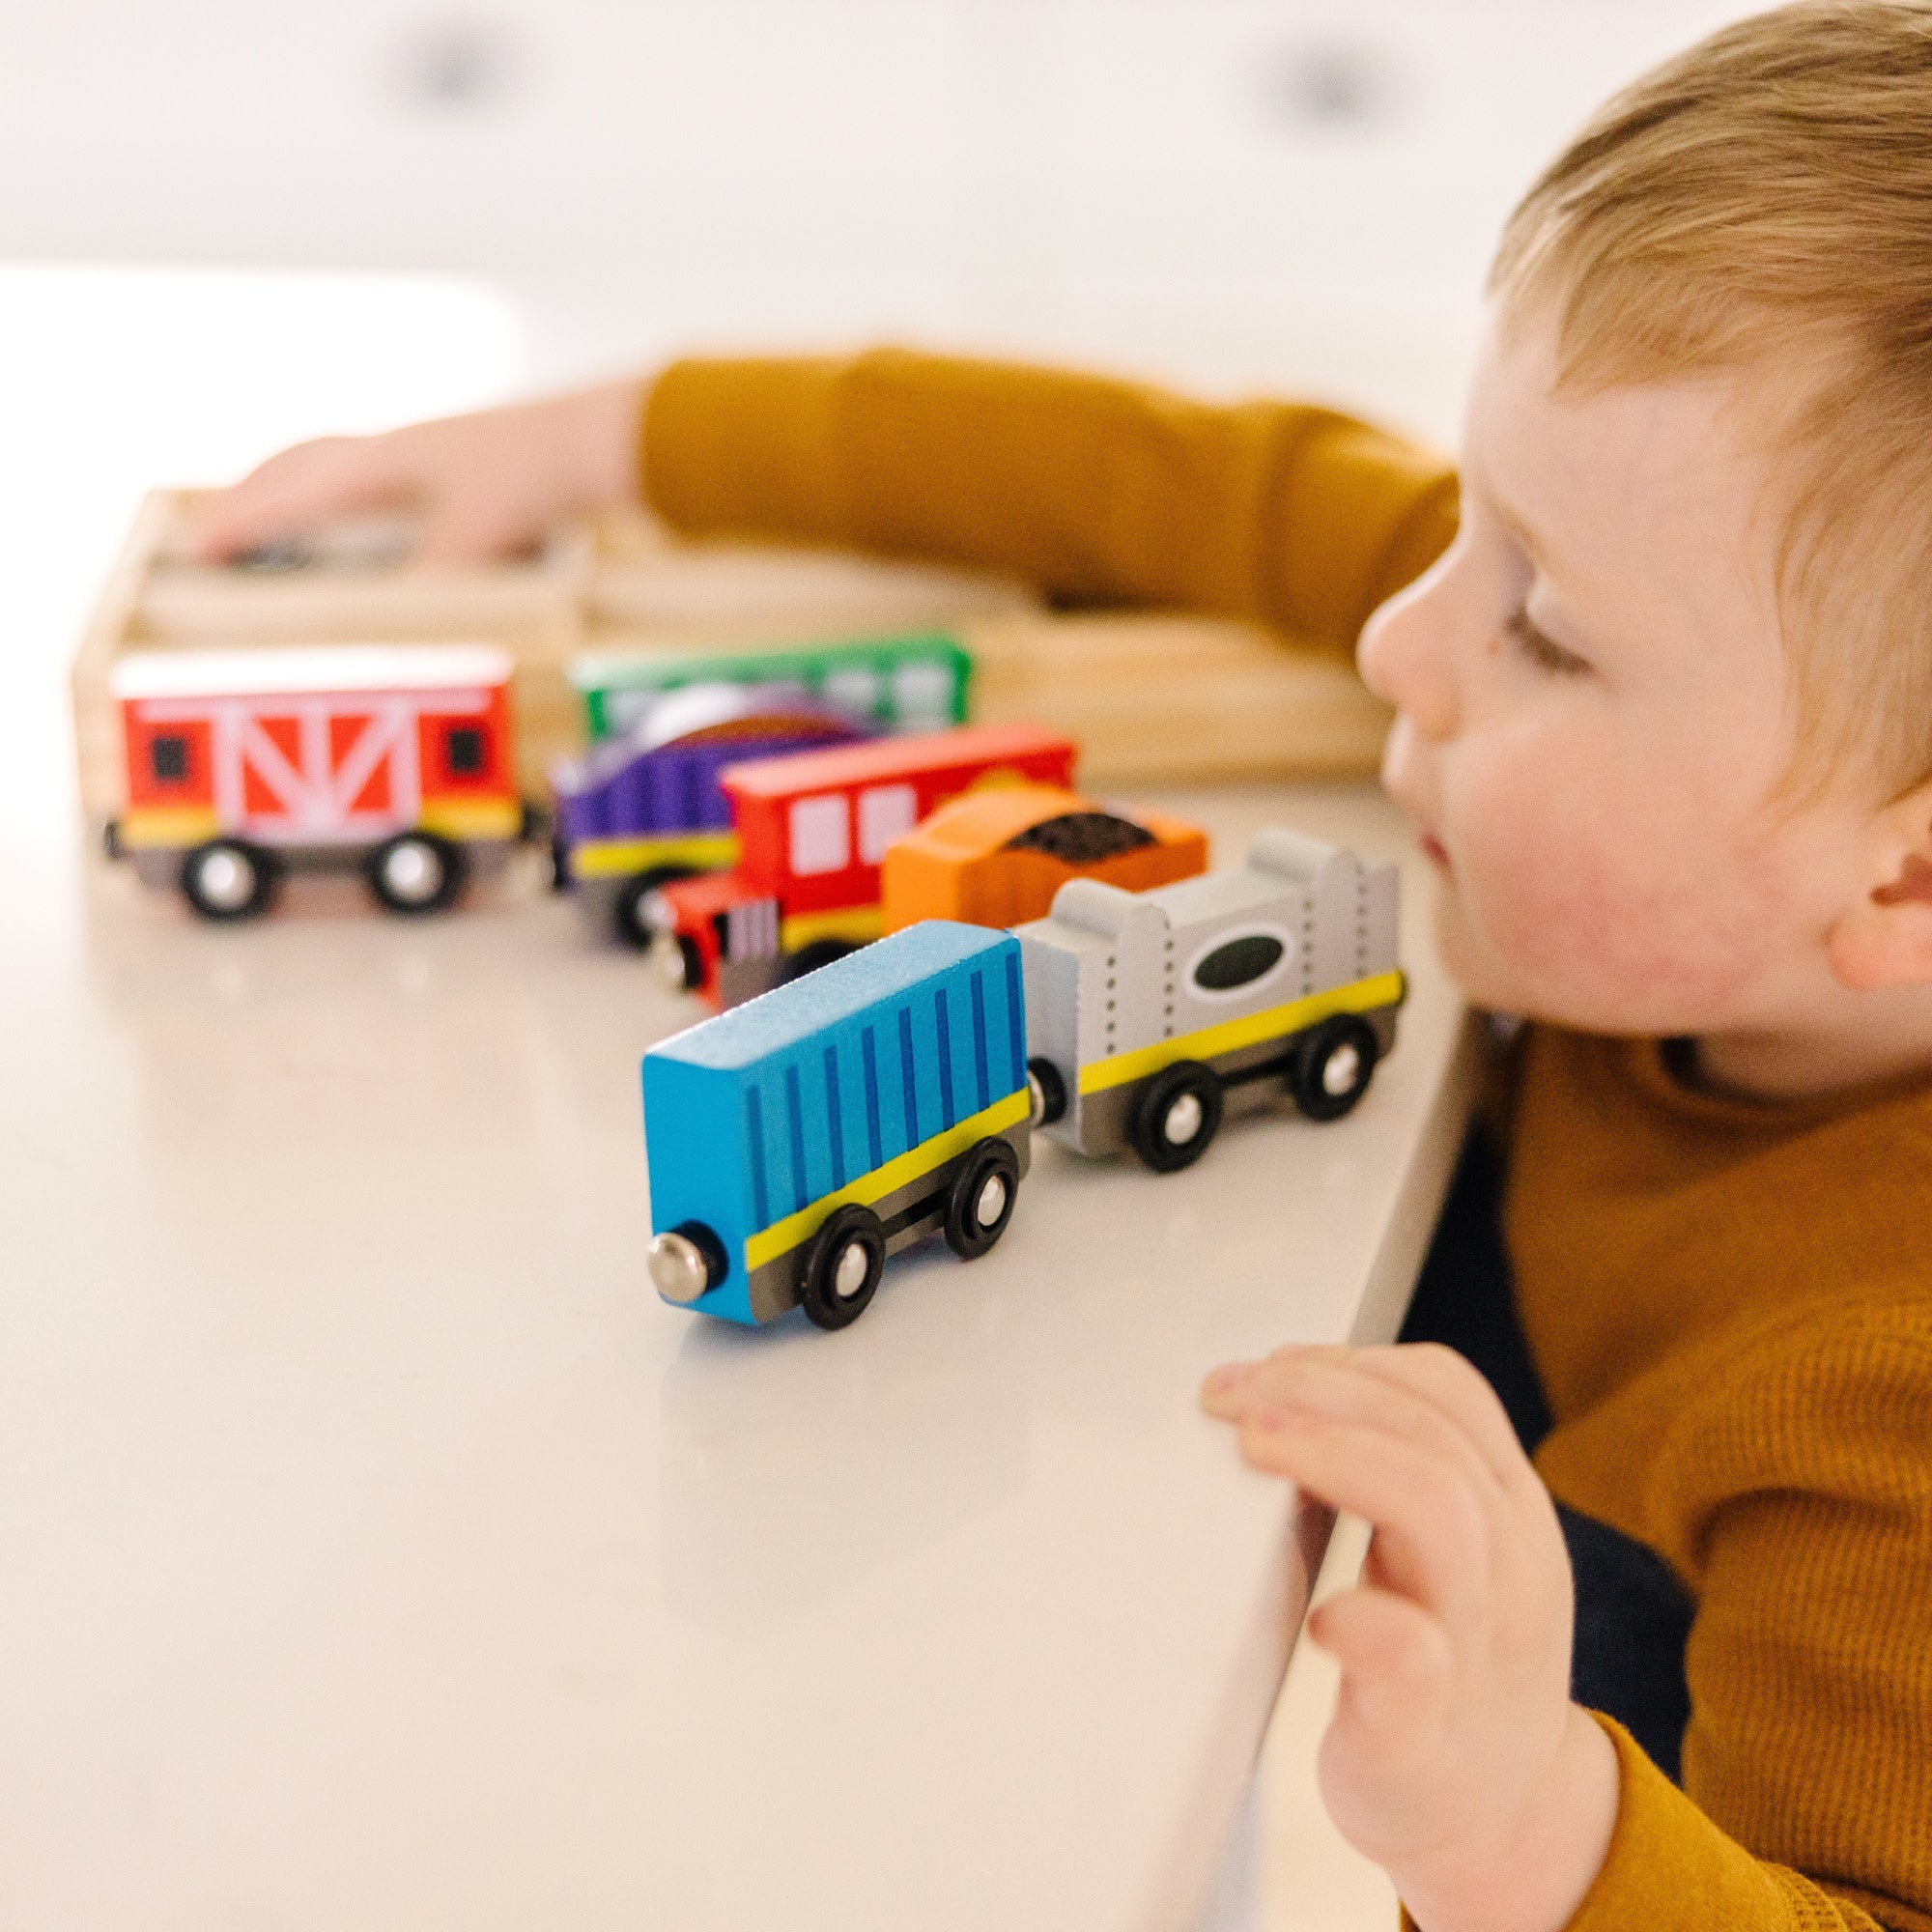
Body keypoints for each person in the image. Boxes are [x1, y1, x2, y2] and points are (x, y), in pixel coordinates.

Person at [198, 6, 1932, 1927]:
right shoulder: (1753, 755)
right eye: (1462, 521)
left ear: (1910, 868)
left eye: (1545, 633)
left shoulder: (1882, 1399)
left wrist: (1533, 1832)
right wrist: (614, 431)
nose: (1394, 637)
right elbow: (1155, 472)